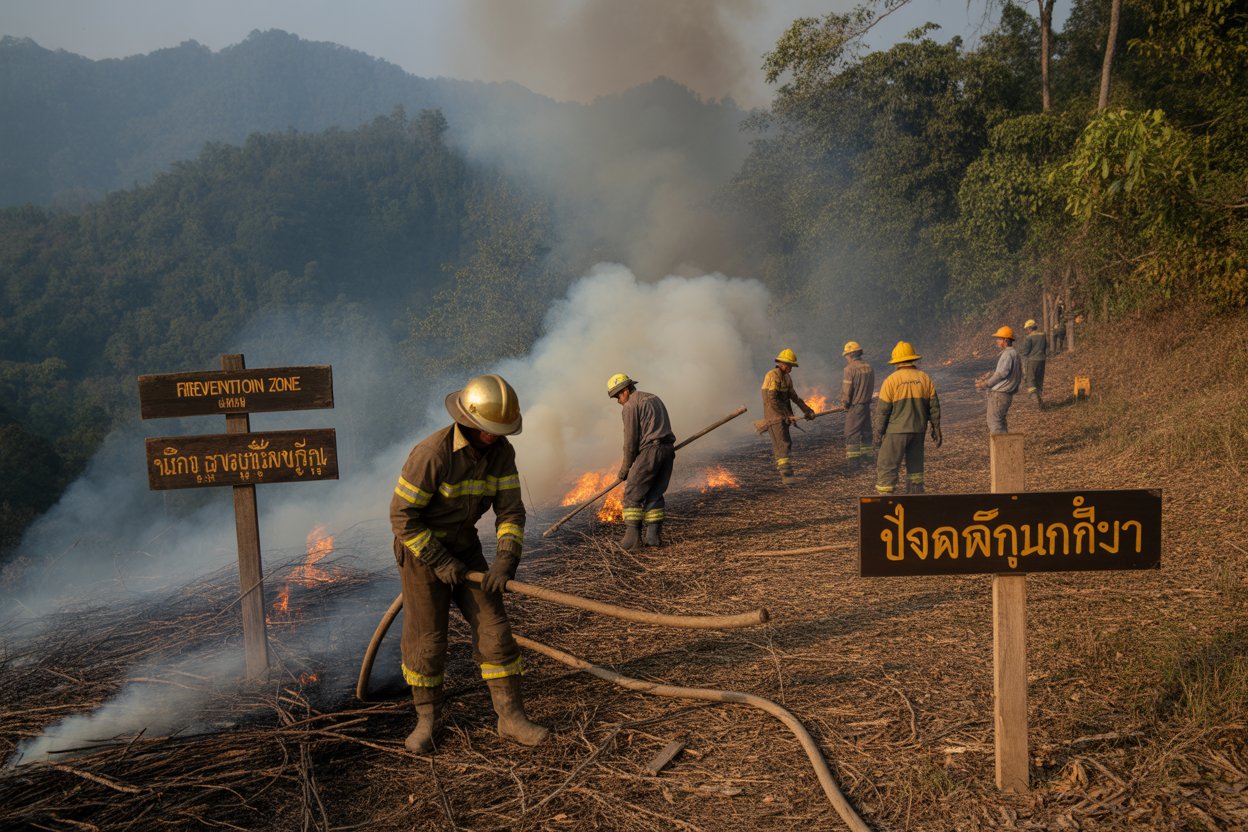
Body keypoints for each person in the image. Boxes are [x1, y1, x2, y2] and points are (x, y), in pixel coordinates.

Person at [389, 373, 548, 754]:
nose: (495, 436)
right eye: (489, 430)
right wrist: (440, 561)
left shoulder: (502, 453)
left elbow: (511, 511)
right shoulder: (432, 454)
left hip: (466, 548)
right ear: (469, 420)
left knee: (495, 630)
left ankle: (510, 718)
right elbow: (402, 518)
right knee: (428, 640)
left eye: (500, 430)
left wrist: (505, 560)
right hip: (422, 552)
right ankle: (427, 720)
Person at [608, 372, 675, 549]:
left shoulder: (630, 405)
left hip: (650, 452)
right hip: (668, 450)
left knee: (632, 494)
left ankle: (632, 541)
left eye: (617, 396)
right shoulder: (654, 398)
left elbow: (630, 442)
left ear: (625, 391)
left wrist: (625, 469)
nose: (618, 401)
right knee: (654, 493)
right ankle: (653, 538)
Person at [873, 342, 941, 494]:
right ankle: (915, 497)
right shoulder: (925, 378)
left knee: (887, 464)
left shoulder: (891, 381)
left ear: (896, 361)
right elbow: (934, 406)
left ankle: (886, 498)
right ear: (912, 359)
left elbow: (882, 411)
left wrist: (878, 433)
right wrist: (936, 427)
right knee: (915, 466)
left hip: (896, 431)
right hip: (918, 430)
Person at [761, 348, 816, 483]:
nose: (791, 368)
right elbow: (772, 400)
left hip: (783, 416)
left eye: (792, 366)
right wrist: (786, 415)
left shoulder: (786, 377)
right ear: (782, 363)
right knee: (782, 445)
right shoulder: (773, 375)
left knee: (786, 443)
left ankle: (788, 475)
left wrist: (807, 410)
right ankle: (787, 476)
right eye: (789, 365)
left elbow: (794, 397)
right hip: (774, 416)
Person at [975, 326, 1023, 434]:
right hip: (1005, 395)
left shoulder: (1007, 354)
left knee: (995, 423)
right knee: (1000, 423)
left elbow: (1001, 374)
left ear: (1006, 340)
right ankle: (1005, 448)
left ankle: (1001, 449)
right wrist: (991, 374)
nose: (996, 341)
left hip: (1000, 395)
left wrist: (985, 384)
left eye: (999, 338)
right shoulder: (1013, 353)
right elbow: (1007, 372)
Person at [840, 341, 875, 467]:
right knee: (866, 431)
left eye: (846, 355)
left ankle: (853, 462)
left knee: (851, 433)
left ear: (851, 354)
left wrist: (845, 403)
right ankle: (868, 458)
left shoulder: (849, 369)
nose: (846, 358)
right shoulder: (869, 367)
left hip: (855, 406)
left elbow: (847, 389)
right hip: (866, 405)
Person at [1018, 319, 1048, 409]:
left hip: (1032, 361)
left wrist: (1021, 353)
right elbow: (1045, 347)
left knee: (1030, 381)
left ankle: (1037, 401)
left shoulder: (1029, 338)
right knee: (1039, 379)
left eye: (1027, 329)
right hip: (1042, 360)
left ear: (1030, 328)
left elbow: (1026, 352)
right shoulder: (1043, 335)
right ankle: (1040, 399)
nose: (1027, 331)